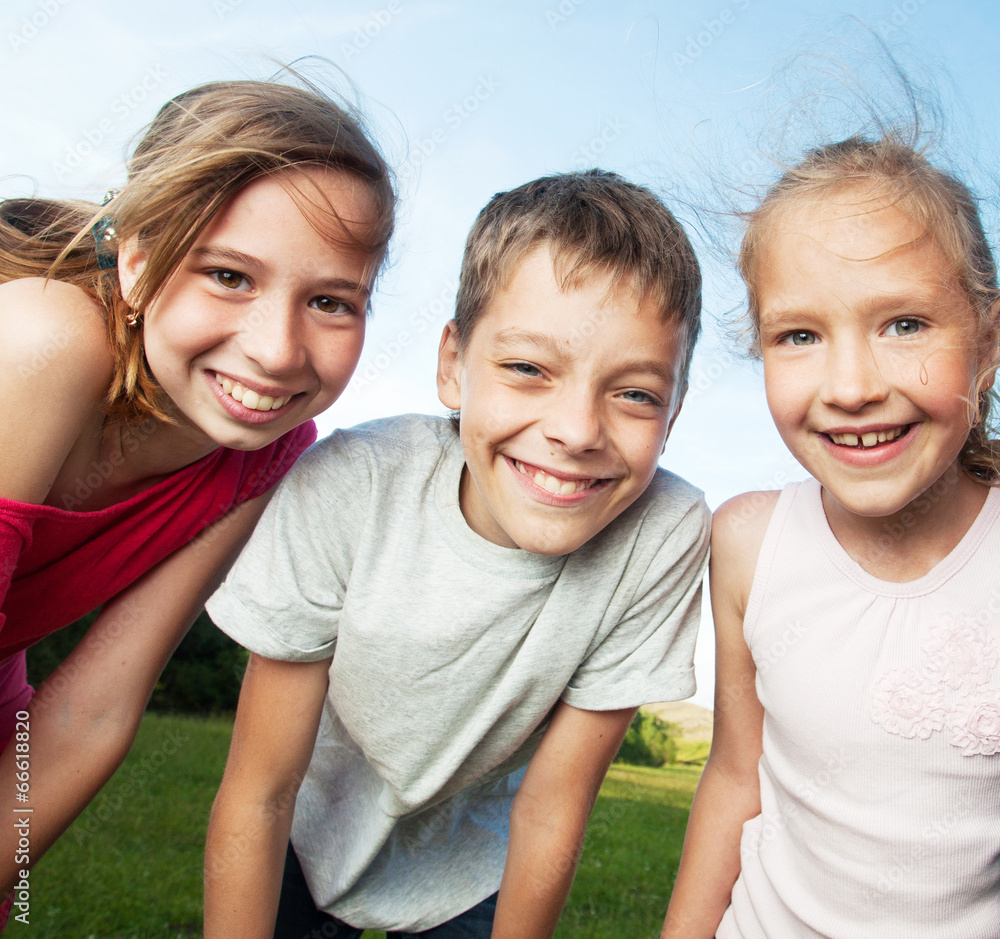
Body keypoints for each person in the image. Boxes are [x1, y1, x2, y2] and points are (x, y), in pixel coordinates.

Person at [203, 169, 709, 939]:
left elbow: (552, 806)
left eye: (635, 392)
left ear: (673, 410)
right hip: (302, 837)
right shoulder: (354, 483)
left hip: (471, 872)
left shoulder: (662, 532)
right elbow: (260, 788)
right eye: (528, 369)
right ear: (452, 366)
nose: (576, 430)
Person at [0, 75, 395, 907]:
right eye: (229, 276)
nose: (278, 349)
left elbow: (93, 711)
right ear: (138, 263)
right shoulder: (43, 337)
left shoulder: (264, 457)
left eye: (329, 301)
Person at [662, 135, 1000, 938]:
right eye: (800, 336)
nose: (852, 387)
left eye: (905, 323)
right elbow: (736, 776)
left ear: (986, 345)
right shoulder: (748, 542)